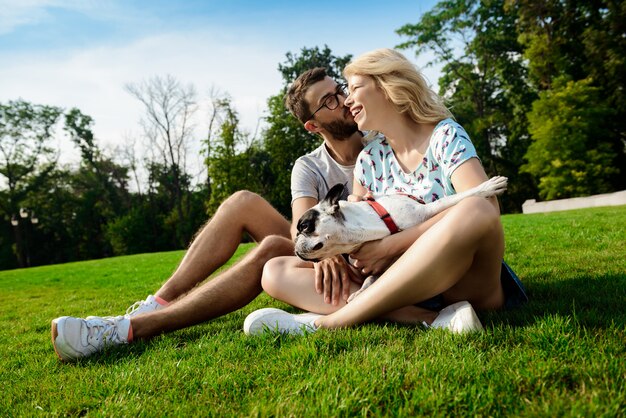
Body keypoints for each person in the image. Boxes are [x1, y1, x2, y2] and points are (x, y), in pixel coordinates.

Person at [50, 67, 366, 361]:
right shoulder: (309, 165)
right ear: (312, 125)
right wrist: (322, 251)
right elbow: (301, 230)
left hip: (363, 250)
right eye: (329, 101)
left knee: (271, 247)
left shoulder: (380, 140)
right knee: (242, 202)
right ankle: (154, 304)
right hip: (325, 250)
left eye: (340, 92)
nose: (344, 101)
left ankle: (130, 330)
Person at [244, 48, 528, 336]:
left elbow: (488, 209)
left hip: (462, 282)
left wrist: (391, 246)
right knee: (275, 270)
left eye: (353, 89)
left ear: (387, 86)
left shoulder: (445, 136)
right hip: (398, 284)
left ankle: (328, 322)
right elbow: (362, 243)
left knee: (474, 207)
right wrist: (354, 248)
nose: (347, 100)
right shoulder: (368, 161)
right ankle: (432, 319)